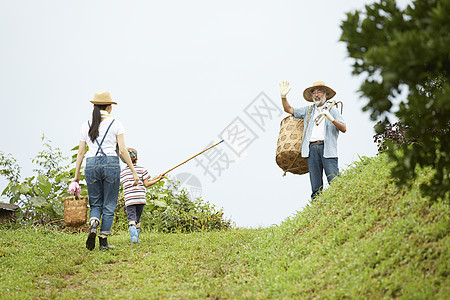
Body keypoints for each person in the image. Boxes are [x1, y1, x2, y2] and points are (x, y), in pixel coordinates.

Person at [73, 91, 139, 251]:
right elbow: (123, 150)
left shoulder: (86, 124)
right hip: (110, 163)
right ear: (109, 107)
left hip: (91, 164)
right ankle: (103, 241)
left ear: (95, 106)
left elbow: (81, 152)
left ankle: (94, 222)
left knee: (95, 202)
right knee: (109, 204)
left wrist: (76, 176)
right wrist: (133, 171)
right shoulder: (116, 123)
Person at [279, 81, 347, 200]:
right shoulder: (308, 110)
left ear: (325, 94)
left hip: (327, 149)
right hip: (312, 150)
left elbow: (343, 128)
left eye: (319, 91)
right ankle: (317, 211)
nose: (316, 94)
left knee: (334, 181)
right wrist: (283, 97)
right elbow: (289, 109)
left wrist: (331, 119)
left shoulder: (332, 110)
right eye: (313, 92)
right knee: (316, 187)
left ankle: (341, 203)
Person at [120, 148, 164, 243]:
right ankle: (136, 237)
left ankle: (133, 238)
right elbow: (147, 184)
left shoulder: (122, 172)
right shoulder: (142, 169)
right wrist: (158, 179)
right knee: (138, 218)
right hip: (140, 198)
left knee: (131, 218)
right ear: (137, 158)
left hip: (130, 199)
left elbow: (121, 184)